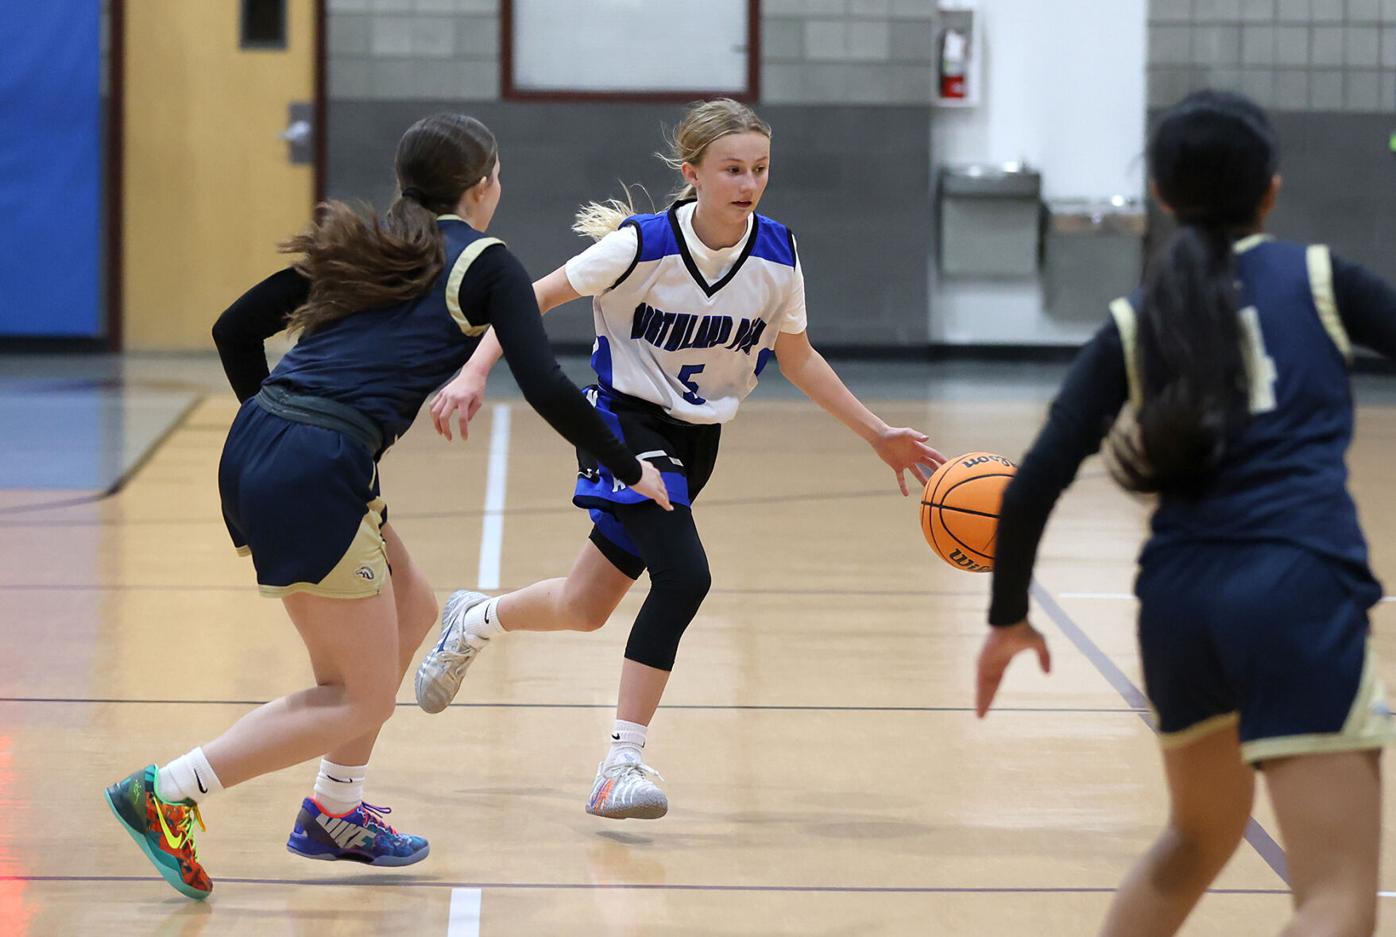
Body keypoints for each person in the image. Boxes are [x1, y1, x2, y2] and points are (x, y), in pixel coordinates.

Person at [103, 113, 669, 899]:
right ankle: (167, 791)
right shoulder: (488, 262)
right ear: (482, 187)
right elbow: (542, 382)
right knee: (355, 694)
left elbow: (235, 329)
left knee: (413, 610)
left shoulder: (364, 240)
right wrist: (625, 464)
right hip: (316, 462)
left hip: (284, 446)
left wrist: (273, 419)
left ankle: (334, 809)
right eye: (498, 176)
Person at [413, 98, 946, 820]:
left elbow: (798, 357)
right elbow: (530, 298)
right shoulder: (641, 245)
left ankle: (473, 619)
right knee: (686, 575)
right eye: (732, 168)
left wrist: (877, 432)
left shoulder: (778, 253)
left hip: (698, 440)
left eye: (759, 168)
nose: (748, 182)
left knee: (585, 605)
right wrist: (475, 371)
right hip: (626, 424)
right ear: (693, 172)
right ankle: (620, 760)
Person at [975, 90, 1396, 937]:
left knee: (1195, 837)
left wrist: (1008, 618)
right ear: (1269, 191)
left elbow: (1031, 483)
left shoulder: (1138, 319)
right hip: (1298, 587)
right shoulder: (1318, 278)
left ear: (1162, 199)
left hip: (1179, 602)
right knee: (1336, 900)